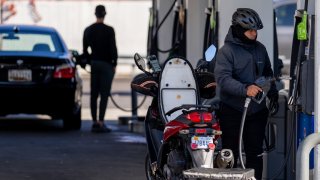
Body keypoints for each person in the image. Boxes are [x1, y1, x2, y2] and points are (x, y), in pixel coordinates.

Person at [214, 8, 278, 179]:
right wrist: (245, 89)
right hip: (233, 110)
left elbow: (268, 73)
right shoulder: (226, 51)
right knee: (230, 153)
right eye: (250, 30)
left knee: (255, 153)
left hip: (257, 110)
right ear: (239, 30)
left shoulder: (260, 49)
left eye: (256, 30)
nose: (254, 33)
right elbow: (223, 79)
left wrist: (273, 92)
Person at [83, 4, 118, 133]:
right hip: (107, 64)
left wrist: (89, 60)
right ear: (104, 14)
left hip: (94, 63)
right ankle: (101, 121)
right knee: (104, 94)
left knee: (94, 93)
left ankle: (94, 122)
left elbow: (85, 50)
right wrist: (114, 63)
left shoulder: (88, 30)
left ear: (95, 14)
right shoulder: (110, 30)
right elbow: (113, 48)